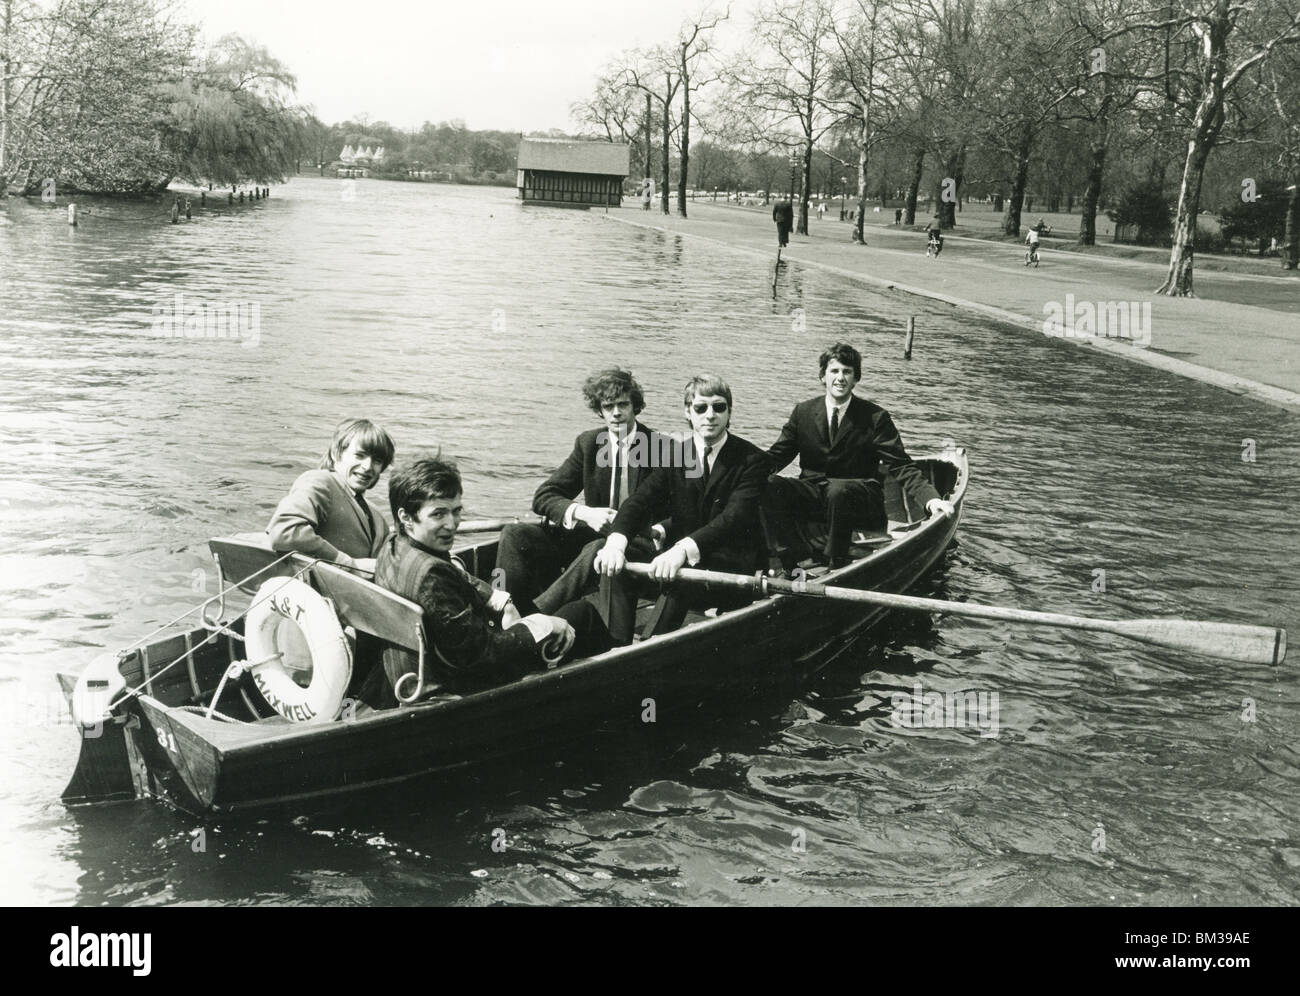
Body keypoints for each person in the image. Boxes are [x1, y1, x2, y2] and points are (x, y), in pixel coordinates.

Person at [370, 457, 611, 703]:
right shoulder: (432, 576)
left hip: (423, 667)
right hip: (464, 683)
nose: (451, 524)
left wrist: (499, 600)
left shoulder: (393, 547)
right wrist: (541, 626)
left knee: (550, 611)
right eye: (438, 514)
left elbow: (456, 574)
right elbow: (481, 656)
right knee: (582, 614)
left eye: (456, 511)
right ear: (406, 517)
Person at [594, 374, 769, 641]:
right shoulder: (676, 455)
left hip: (731, 571)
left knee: (680, 578)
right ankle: (614, 644)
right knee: (617, 562)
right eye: (701, 408)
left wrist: (681, 550)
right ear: (688, 412)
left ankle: (647, 651)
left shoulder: (753, 460)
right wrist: (616, 542)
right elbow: (640, 501)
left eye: (719, 407)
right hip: (678, 565)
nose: (710, 415)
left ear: (729, 412)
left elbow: (734, 518)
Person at [763, 343, 955, 573]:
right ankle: (792, 558)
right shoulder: (802, 412)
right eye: (834, 371)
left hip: (860, 500)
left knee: (838, 491)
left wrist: (931, 500)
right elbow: (777, 456)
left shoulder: (875, 417)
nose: (840, 378)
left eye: (847, 372)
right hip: (816, 495)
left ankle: (836, 563)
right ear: (823, 376)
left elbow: (901, 465)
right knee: (768, 484)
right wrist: (741, 470)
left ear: (856, 379)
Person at [495, 369, 665, 617]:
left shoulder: (662, 448)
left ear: (635, 406)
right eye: (608, 406)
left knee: (597, 547)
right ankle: (501, 609)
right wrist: (585, 513)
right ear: (599, 410)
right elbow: (544, 496)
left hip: (639, 546)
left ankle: (532, 617)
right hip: (593, 536)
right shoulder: (589, 444)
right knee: (514, 534)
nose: (616, 413)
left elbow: (682, 511)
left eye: (623, 404)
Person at [267, 417, 395, 573]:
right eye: (360, 455)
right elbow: (285, 532)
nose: (367, 466)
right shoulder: (320, 481)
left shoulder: (376, 516)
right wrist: (348, 564)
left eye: (377, 460)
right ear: (336, 454)